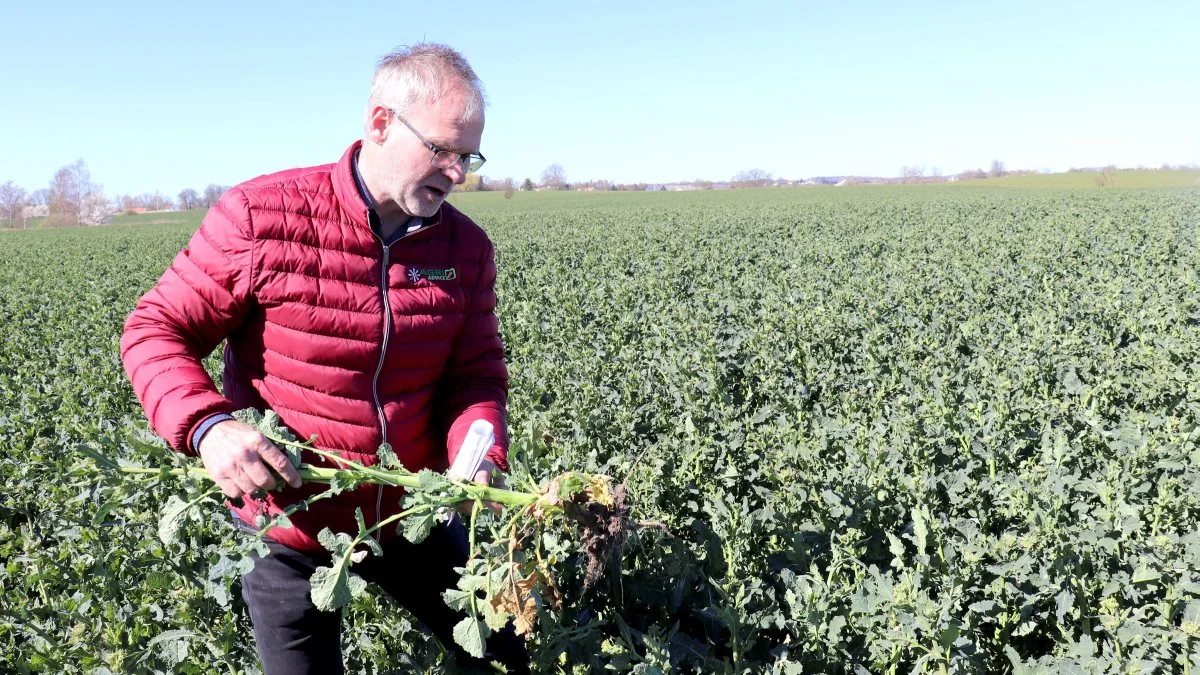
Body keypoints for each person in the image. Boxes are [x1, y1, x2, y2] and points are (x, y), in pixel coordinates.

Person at [120, 43, 528, 673]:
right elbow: (156, 330)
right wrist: (210, 428)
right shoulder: (263, 216)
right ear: (381, 122)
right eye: (441, 150)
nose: (456, 173)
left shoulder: (466, 248)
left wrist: (479, 453)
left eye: (468, 156)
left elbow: (474, 375)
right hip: (289, 518)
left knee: (508, 653)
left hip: (407, 510)